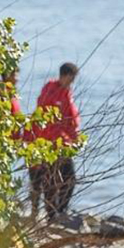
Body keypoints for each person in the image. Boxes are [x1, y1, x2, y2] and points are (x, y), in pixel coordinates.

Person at [33, 62, 80, 220]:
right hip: (51, 143)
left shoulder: (67, 93)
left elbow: (71, 119)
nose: (72, 82)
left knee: (69, 179)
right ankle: (52, 214)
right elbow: (46, 118)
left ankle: (60, 210)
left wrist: (74, 137)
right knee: (51, 180)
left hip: (64, 143)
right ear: (64, 76)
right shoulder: (51, 91)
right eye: (71, 79)